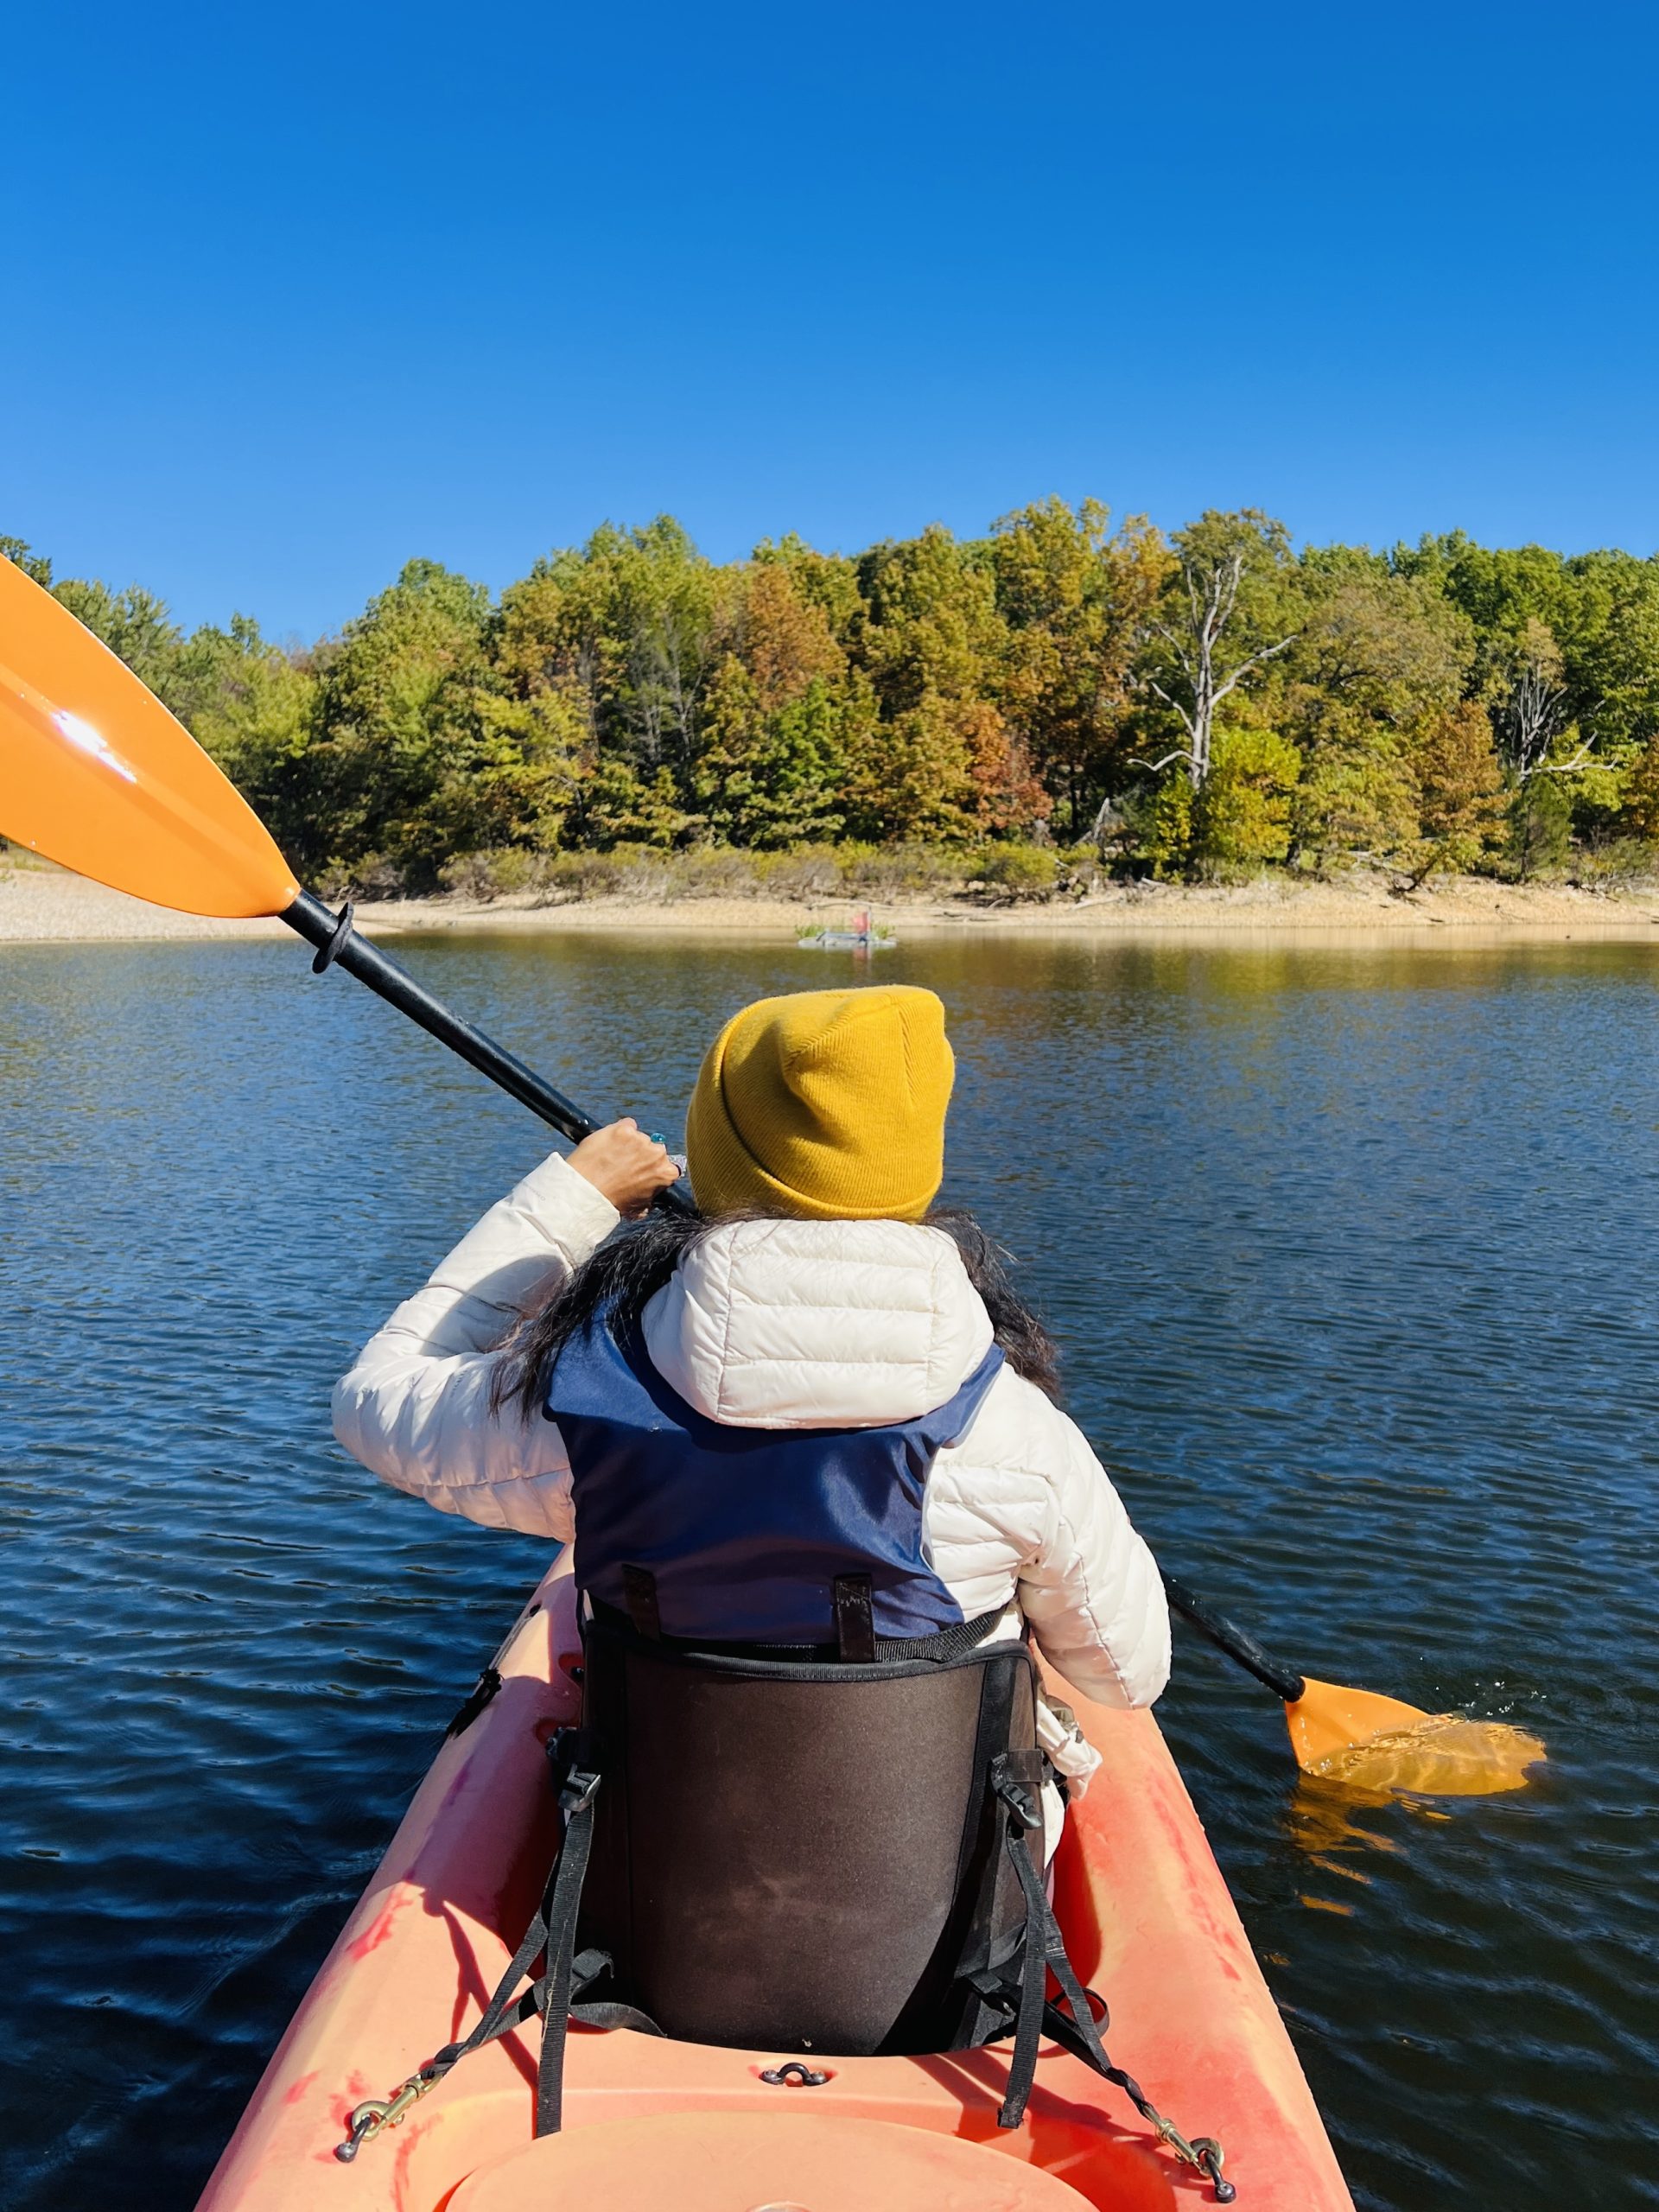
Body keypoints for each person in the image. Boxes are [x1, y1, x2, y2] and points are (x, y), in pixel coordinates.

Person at [333, 985, 1169, 1842]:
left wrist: (574, 1198)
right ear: (914, 1160)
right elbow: (1124, 1676)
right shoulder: (1018, 1436)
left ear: (719, 1154)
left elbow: (376, 1399)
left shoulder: (588, 1408)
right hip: (935, 1911)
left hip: (657, 1903)